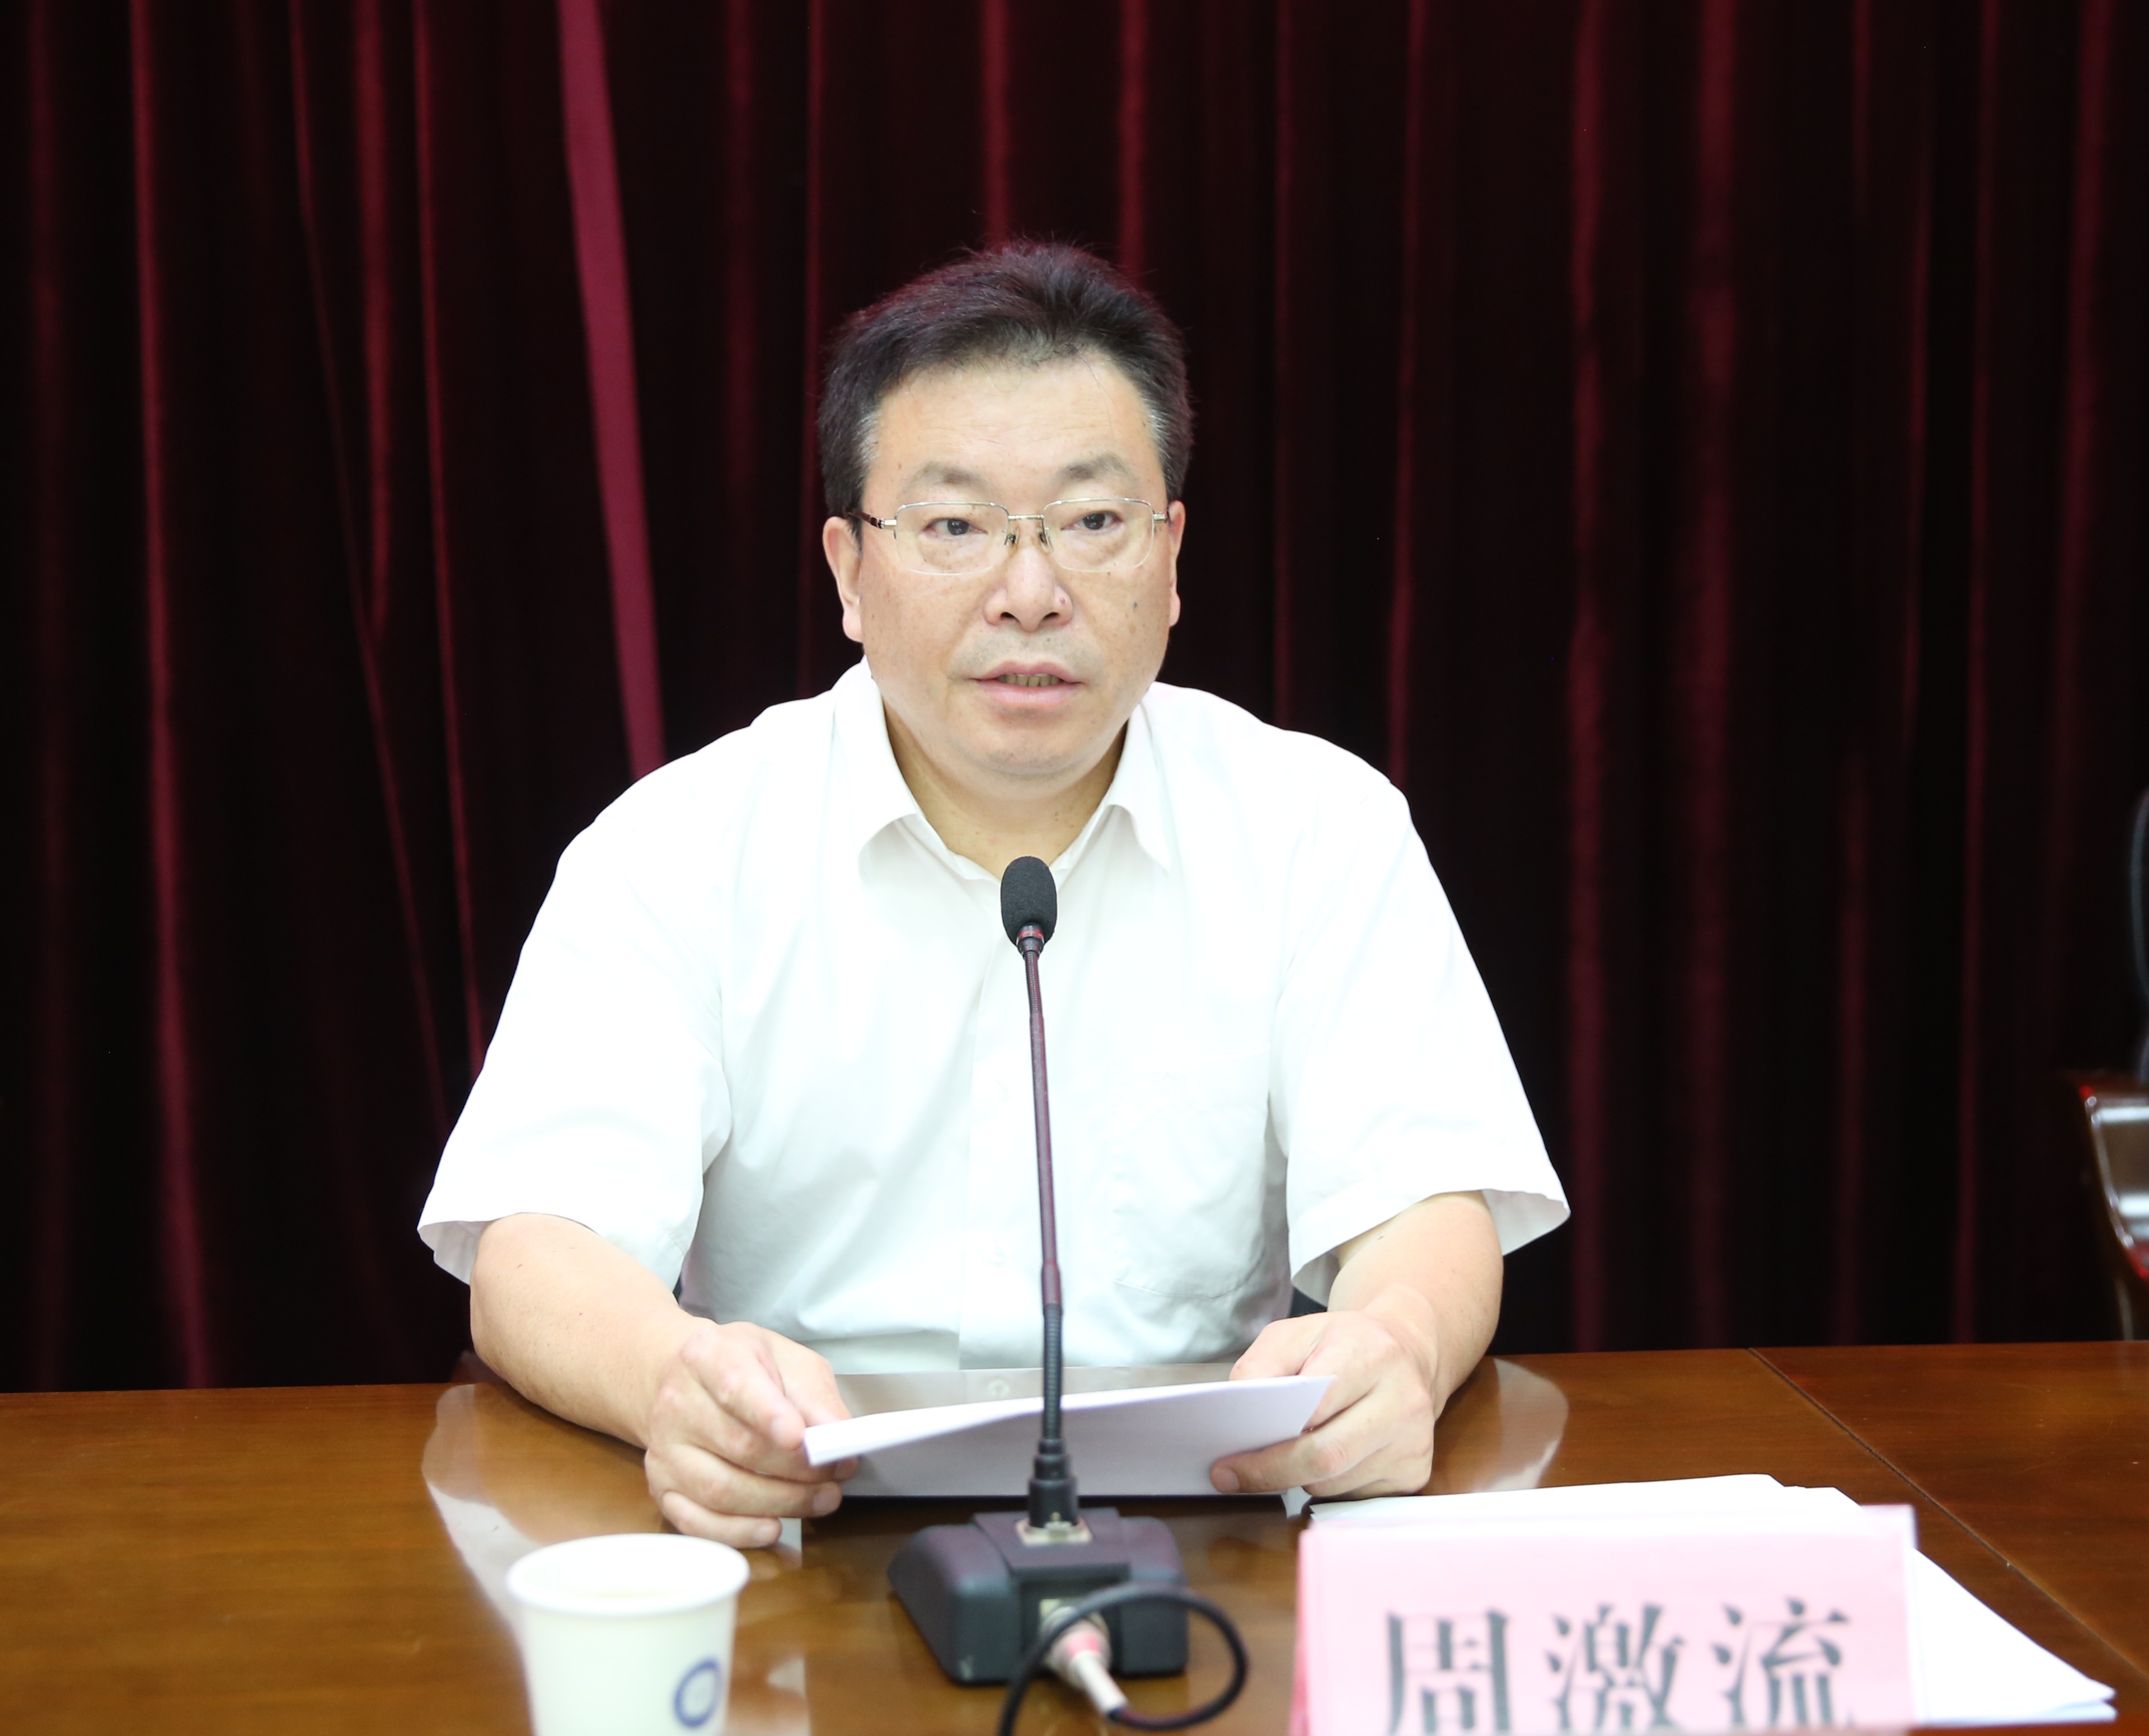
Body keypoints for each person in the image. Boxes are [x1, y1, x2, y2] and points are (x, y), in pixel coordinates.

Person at [418, 243, 1566, 1549]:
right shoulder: (681, 845)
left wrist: (1394, 1345)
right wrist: (675, 1384)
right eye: (956, 528)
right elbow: (535, 1243)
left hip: (1206, 1526)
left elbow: (1425, 1200)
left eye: (1092, 523)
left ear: (1171, 556)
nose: (1031, 595)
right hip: (798, 1520)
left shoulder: (1317, 827)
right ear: (849, 572)